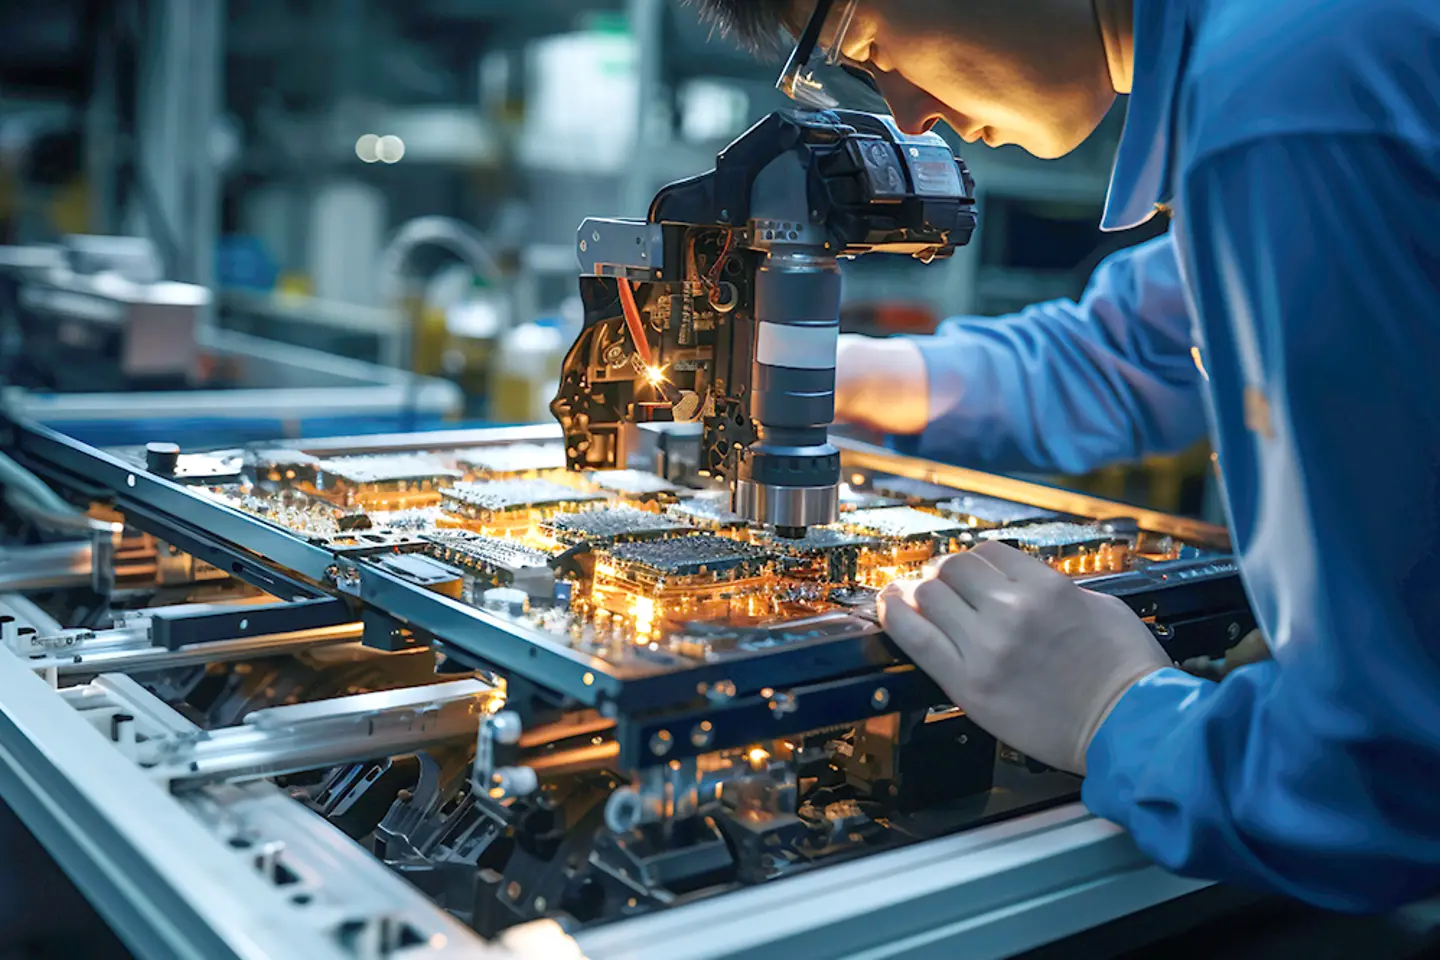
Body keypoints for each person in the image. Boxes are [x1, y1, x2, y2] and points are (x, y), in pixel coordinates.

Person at [692, 0, 1440, 913]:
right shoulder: (1299, 44)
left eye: (875, 47)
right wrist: (830, 377)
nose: (907, 110)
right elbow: (1136, 352)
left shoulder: (1291, 99)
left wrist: (1116, 711)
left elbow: (1387, 779)